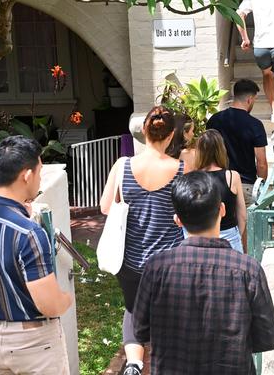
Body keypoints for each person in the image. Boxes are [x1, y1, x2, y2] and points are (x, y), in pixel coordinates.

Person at [132, 172, 274, 375]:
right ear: (222, 209)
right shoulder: (248, 270)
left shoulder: (156, 267)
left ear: (177, 220)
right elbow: (268, 337)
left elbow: (140, 329)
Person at [0, 135, 73, 375]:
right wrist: (67, 298)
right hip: (33, 342)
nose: (40, 178)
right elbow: (50, 305)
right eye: (39, 172)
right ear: (27, 175)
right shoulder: (30, 233)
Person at [100, 105, 184, 375]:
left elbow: (104, 207)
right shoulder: (180, 168)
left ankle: (134, 364)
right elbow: (186, 212)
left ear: (144, 132)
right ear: (171, 136)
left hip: (130, 259)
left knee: (134, 309)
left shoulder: (122, 165)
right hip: (168, 261)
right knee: (167, 315)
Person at [207, 78, 268, 207]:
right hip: (245, 184)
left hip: (219, 181)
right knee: (246, 225)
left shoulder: (214, 120)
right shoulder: (255, 125)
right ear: (249, 99)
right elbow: (261, 163)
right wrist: (261, 185)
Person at [194, 129, 247, 253]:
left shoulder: (194, 177)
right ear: (221, 149)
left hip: (202, 235)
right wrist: (237, 235)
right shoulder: (232, 176)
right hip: (229, 235)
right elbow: (242, 214)